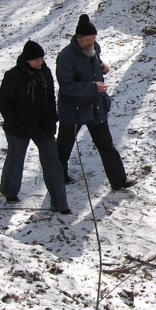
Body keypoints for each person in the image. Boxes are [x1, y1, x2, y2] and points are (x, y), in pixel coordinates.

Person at [55, 14, 134, 190]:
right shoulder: (65, 57)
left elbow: (93, 63)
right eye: (88, 39)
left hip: (95, 108)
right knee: (63, 149)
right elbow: (67, 86)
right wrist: (93, 87)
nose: (92, 42)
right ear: (78, 38)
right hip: (73, 111)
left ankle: (119, 181)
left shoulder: (93, 48)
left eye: (94, 39)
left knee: (106, 145)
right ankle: (58, 177)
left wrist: (102, 66)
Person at [0, 40, 70, 214]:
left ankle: (60, 204)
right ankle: (9, 191)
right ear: (27, 60)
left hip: (43, 125)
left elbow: (51, 97)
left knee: (53, 162)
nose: (40, 62)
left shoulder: (45, 73)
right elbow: (4, 102)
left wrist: (53, 118)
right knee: (15, 160)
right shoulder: (13, 76)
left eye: (42, 58)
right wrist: (14, 121)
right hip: (18, 127)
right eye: (36, 59)